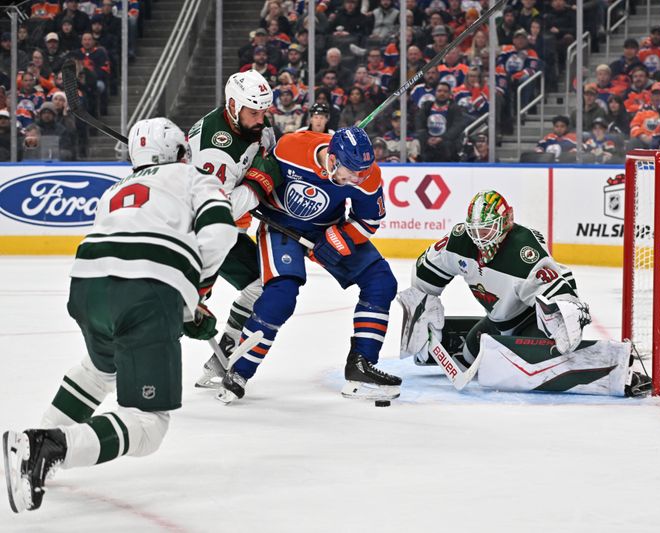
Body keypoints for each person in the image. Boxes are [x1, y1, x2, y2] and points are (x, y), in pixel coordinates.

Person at [2, 117, 237, 514]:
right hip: (147, 287)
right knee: (148, 425)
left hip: (87, 284)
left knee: (99, 367)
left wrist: (179, 302)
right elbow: (220, 233)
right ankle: (48, 447)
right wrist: (193, 294)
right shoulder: (195, 177)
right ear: (182, 152)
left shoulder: (114, 189)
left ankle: (33, 438)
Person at [396, 190, 651, 397]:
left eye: (485, 230)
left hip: (532, 324)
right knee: (468, 358)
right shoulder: (461, 240)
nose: (479, 239)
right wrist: (423, 305)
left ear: (506, 221)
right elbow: (427, 271)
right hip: (498, 322)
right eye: (475, 231)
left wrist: (564, 312)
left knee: (529, 368)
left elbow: (559, 287)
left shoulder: (524, 249)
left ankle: (620, 374)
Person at [215, 127, 402, 403]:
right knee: (281, 296)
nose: (357, 178)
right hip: (279, 225)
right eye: (351, 171)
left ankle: (360, 366)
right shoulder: (293, 147)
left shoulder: (366, 173)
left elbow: (369, 221)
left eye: (361, 172)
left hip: (327, 229)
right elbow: (260, 175)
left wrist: (339, 239)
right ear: (333, 159)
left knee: (381, 282)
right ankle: (239, 371)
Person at [189, 70, 278, 389]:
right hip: (197, 233)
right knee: (183, 305)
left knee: (263, 282)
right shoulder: (216, 150)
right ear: (232, 105)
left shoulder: (248, 121)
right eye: (254, 112)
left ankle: (225, 350)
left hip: (220, 231)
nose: (261, 119)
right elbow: (217, 208)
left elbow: (265, 147)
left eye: (264, 112)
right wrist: (258, 183)